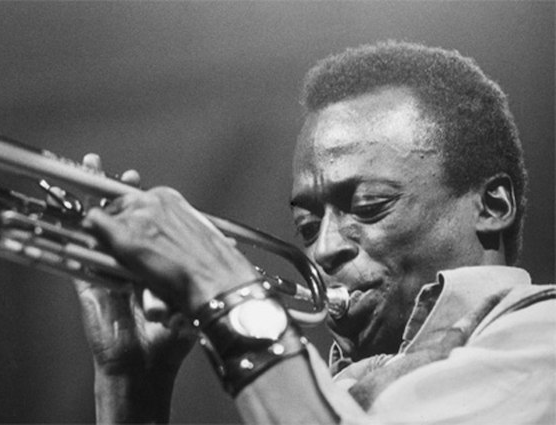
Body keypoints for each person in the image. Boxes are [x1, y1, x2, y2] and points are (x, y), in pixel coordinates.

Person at [75, 41, 556, 424]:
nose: (323, 248)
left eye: (369, 206)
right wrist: (134, 386)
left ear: (492, 206)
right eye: (307, 226)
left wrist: (222, 289)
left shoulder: (542, 336)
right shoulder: (311, 393)